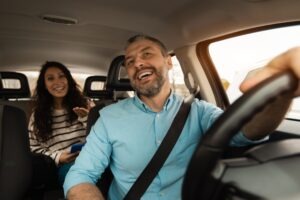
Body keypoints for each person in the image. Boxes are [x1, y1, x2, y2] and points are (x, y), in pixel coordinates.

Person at [63, 35, 300, 199]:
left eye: (147, 54)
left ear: (168, 61)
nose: (138, 63)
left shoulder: (200, 111)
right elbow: (81, 174)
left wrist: (281, 92)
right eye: (130, 62)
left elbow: (246, 133)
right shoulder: (108, 117)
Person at [28, 61, 94, 194]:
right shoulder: (37, 115)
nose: (57, 82)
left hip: (95, 158)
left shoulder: (87, 104)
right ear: (44, 85)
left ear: (68, 79)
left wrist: (89, 119)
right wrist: (58, 157)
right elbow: (33, 148)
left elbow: (104, 137)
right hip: (67, 165)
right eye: (50, 78)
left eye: (61, 76)